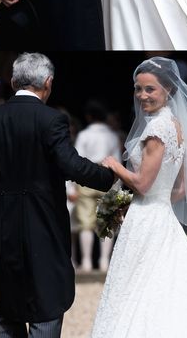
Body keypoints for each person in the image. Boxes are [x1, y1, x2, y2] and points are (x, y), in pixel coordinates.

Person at [0, 53, 114, 338]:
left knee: (7, 309)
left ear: (13, 80)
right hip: (42, 224)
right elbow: (70, 164)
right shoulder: (52, 119)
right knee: (46, 306)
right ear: (48, 82)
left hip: (0, 228)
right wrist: (110, 175)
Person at [90, 56, 187, 337]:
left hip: (146, 220)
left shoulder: (156, 129)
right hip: (162, 217)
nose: (142, 95)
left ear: (168, 91)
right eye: (138, 89)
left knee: (135, 287)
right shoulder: (176, 126)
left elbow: (143, 183)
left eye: (150, 89)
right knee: (164, 283)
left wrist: (114, 166)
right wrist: (159, 202)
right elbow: (182, 187)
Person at [75, 100, 121, 272]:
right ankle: (104, 262)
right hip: (108, 178)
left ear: (88, 116)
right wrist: (119, 185)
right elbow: (116, 161)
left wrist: (72, 186)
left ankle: (86, 261)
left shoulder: (84, 135)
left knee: (85, 221)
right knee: (107, 222)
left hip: (87, 178)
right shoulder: (112, 135)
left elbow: (76, 161)